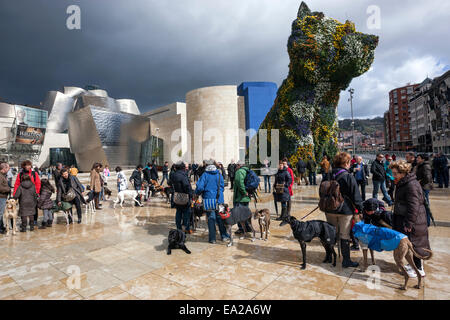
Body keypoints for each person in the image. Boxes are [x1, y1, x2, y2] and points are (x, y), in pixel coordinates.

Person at [390, 160, 431, 277]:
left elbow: (413, 206)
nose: (394, 176)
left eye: (395, 173)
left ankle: (418, 268)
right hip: (404, 217)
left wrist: (409, 223)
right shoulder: (403, 182)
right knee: (410, 243)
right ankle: (413, 265)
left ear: (403, 173)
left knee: (415, 243)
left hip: (413, 221)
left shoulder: (411, 185)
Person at [324, 152, 363, 268]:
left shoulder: (329, 175)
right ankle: (346, 260)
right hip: (345, 211)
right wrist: (360, 209)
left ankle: (330, 257)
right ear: (346, 163)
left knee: (331, 234)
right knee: (344, 235)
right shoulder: (348, 176)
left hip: (330, 209)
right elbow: (356, 195)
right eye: (349, 162)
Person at [195, 160, 229, 243]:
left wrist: (197, 193)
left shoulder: (205, 175)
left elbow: (199, 187)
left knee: (211, 218)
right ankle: (224, 236)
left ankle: (212, 239)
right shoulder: (219, 174)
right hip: (219, 200)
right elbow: (222, 187)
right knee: (220, 217)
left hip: (208, 200)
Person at [13, 160, 41, 225]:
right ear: (24, 166)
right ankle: (24, 222)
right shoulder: (20, 174)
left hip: (32, 194)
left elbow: (38, 183)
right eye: (26, 165)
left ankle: (34, 221)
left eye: (29, 165)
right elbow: (17, 184)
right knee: (23, 208)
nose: (28, 166)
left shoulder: (34, 174)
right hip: (23, 194)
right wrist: (15, 195)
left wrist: (36, 192)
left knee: (34, 208)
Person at [171, 161, 193, 234]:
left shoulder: (173, 175)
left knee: (178, 212)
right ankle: (185, 228)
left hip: (176, 196)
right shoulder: (183, 176)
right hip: (184, 196)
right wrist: (191, 194)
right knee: (186, 213)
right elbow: (187, 187)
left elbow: (169, 183)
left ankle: (178, 228)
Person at [233, 160, 252, 234]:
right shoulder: (247, 170)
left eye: (236, 165)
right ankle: (248, 227)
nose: (236, 167)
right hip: (246, 197)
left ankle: (241, 228)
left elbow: (239, 182)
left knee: (238, 213)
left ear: (239, 165)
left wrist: (244, 192)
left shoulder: (239, 172)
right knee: (245, 212)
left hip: (240, 197)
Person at [416, 154, 433, 226]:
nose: (417, 159)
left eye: (418, 158)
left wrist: (419, 182)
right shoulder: (421, 165)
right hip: (422, 187)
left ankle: (427, 222)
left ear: (423, 159)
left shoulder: (425, 166)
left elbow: (428, 178)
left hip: (424, 187)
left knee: (426, 205)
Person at [274, 161, 292, 226]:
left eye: (281, 165)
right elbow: (276, 180)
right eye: (279, 165)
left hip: (284, 190)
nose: (280, 166)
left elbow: (290, 179)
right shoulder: (277, 172)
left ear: (283, 166)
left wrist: (286, 185)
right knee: (282, 203)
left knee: (284, 203)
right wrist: (274, 186)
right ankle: (282, 216)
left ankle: (284, 217)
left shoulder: (286, 172)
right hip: (279, 189)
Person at [0, 162, 11, 234]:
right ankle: (0, 228)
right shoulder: (0, 176)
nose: (9, 169)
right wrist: (8, 189)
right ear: (4, 168)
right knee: (0, 213)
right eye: (8, 168)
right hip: (1, 197)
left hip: (3, 196)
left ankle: (1, 226)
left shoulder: (3, 175)